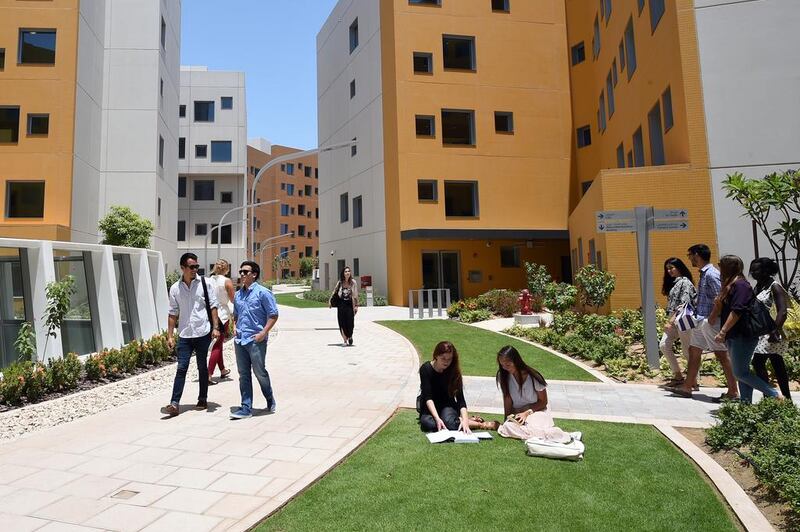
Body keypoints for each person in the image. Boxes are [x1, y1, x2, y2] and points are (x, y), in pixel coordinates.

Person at [668, 244, 738, 401]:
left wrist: (713, 316)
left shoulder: (711, 274)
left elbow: (721, 297)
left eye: (690, 255)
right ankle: (687, 387)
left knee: (721, 354)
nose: (690, 259)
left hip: (710, 321)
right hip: (701, 319)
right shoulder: (704, 274)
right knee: (694, 350)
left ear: (697, 255)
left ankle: (733, 391)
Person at [712, 255, 779, 404]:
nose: (719, 268)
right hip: (734, 335)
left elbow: (737, 311)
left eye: (721, 265)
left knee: (740, 372)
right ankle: (746, 403)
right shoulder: (731, 285)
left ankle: (775, 395)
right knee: (742, 371)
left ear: (730, 267)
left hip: (742, 335)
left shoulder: (741, 286)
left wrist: (722, 332)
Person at [163, 253, 220, 416]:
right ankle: (174, 403)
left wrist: (215, 327)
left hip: (202, 331)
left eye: (197, 266)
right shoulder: (175, 288)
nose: (195, 269)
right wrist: (170, 335)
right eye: (191, 267)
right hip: (185, 335)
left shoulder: (205, 283)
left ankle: (202, 398)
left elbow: (213, 306)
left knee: (202, 366)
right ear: (182, 268)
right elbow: (172, 313)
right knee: (181, 368)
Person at [230, 261, 279, 419]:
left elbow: (273, 314)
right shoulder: (238, 295)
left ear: (254, 274)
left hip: (256, 340)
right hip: (240, 340)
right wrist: (234, 326)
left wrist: (263, 333)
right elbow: (236, 315)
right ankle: (246, 407)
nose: (242, 275)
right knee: (243, 374)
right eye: (241, 272)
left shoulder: (263, 293)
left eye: (245, 272)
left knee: (260, 372)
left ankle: (269, 398)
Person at [495, 346, 575, 442]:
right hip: (517, 414)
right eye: (502, 365)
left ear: (516, 361)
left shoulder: (533, 376)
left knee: (532, 425)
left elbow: (543, 402)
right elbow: (507, 398)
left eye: (508, 365)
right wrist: (506, 419)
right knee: (507, 426)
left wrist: (526, 413)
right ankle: (552, 435)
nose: (505, 368)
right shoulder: (502, 376)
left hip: (537, 411)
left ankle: (557, 435)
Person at [417, 341, 490, 433]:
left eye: (449, 359)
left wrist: (465, 422)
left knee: (450, 424)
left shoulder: (453, 371)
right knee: (429, 424)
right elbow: (428, 397)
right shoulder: (426, 369)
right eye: (443, 358)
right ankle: (463, 420)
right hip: (429, 407)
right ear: (436, 356)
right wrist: (437, 418)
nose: (446, 362)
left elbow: (461, 400)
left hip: (447, 405)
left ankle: (479, 424)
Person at [749, 258, 792, 399]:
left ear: (767, 271)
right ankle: (785, 398)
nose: (753, 272)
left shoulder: (775, 286)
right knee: (777, 363)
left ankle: (770, 396)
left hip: (773, 332)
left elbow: (782, 311)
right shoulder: (759, 286)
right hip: (763, 332)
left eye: (757, 269)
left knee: (758, 362)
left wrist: (774, 331)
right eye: (752, 269)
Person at [659, 258, 697, 386]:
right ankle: (678, 374)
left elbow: (684, 303)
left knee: (687, 350)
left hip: (682, 318)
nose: (669, 271)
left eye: (672, 267)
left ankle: (693, 380)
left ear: (679, 267)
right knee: (664, 344)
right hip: (674, 319)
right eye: (667, 268)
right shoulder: (674, 283)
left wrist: (671, 320)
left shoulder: (685, 282)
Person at [207, 259, 235, 384]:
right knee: (217, 346)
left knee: (218, 344)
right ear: (226, 269)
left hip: (208, 313)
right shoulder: (227, 282)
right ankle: (208, 374)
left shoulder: (208, 280)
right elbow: (233, 300)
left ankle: (222, 370)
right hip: (222, 315)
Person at [328, 266, 358, 346]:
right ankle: (345, 340)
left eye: (348, 271)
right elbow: (334, 291)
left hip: (349, 304)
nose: (347, 273)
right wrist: (330, 301)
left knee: (350, 323)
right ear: (343, 273)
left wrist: (356, 306)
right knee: (342, 322)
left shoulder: (353, 282)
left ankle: (350, 335)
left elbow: (355, 295)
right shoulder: (340, 282)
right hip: (341, 304)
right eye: (345, 271)